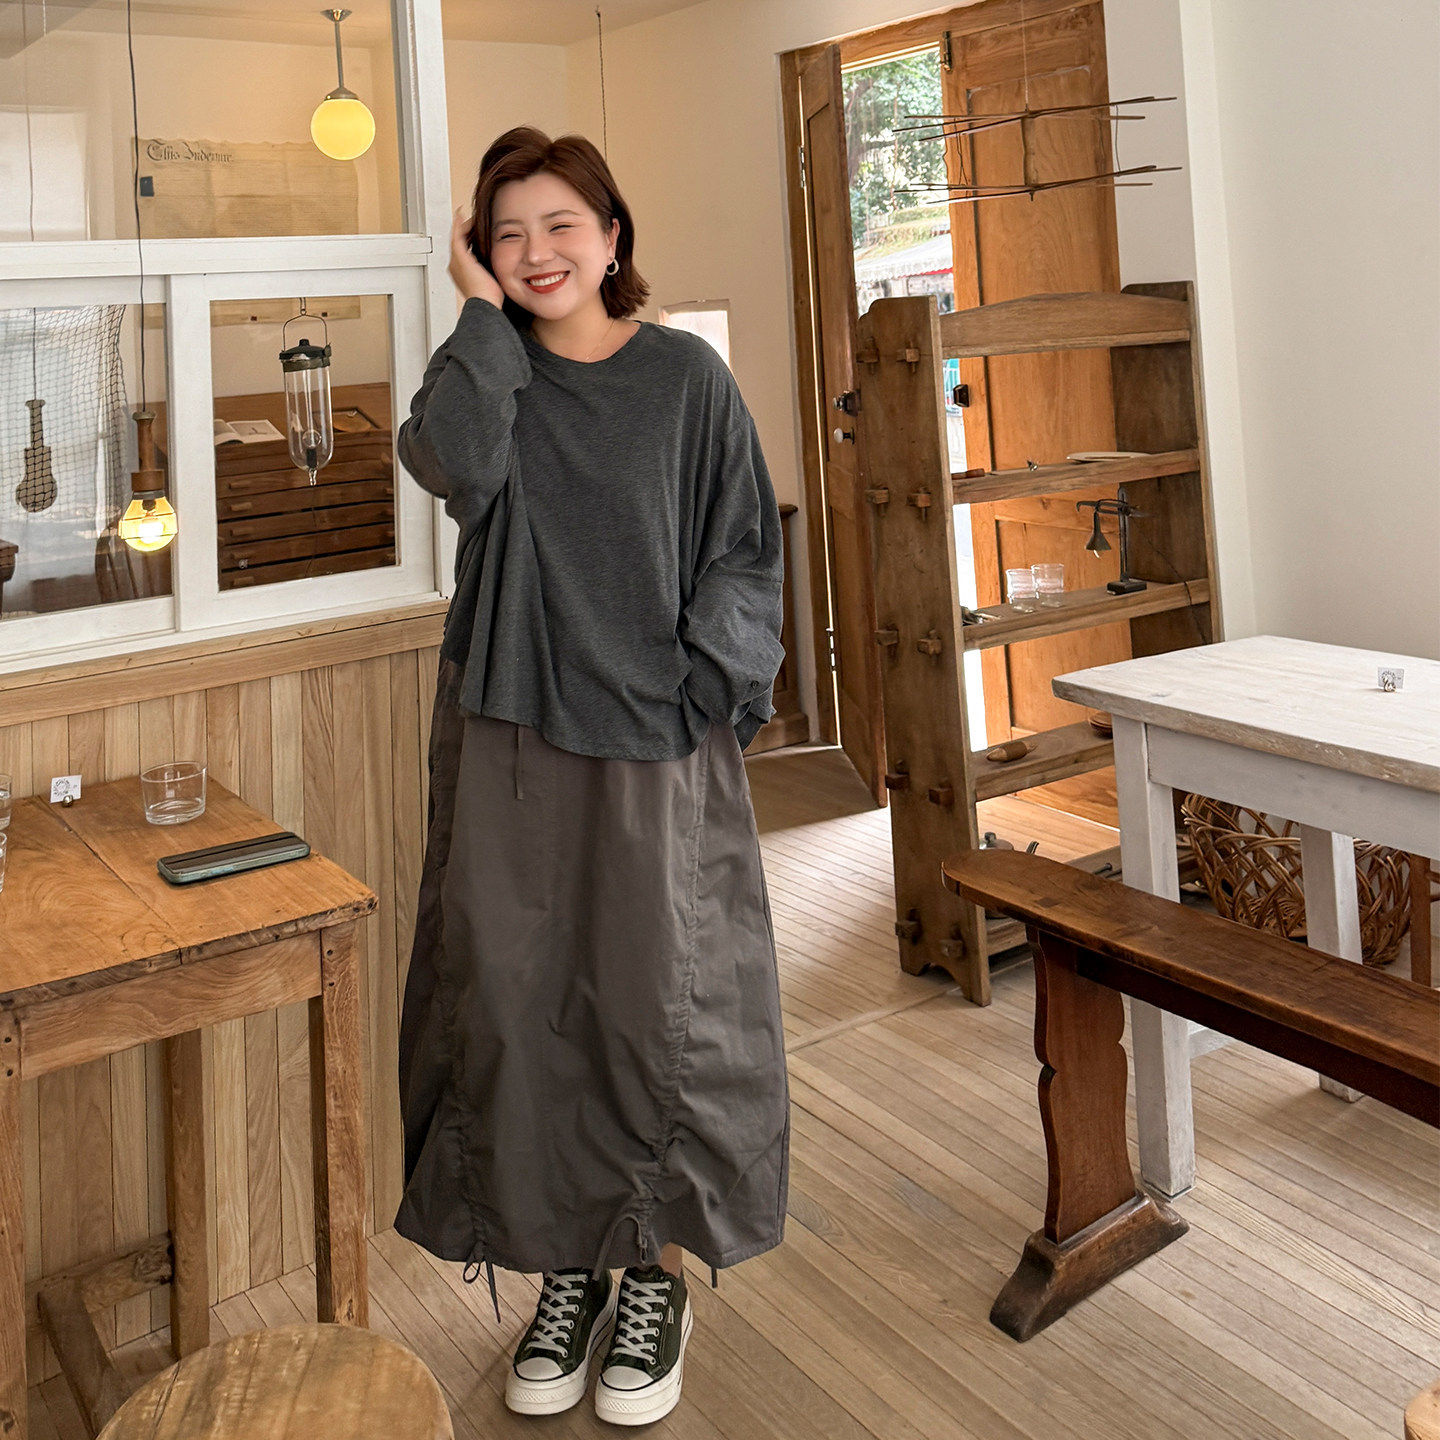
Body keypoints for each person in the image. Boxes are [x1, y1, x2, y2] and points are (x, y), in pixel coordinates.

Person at [392, 126, 790, 1428]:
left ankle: (652, 1275)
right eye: (507, 234)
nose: (536, 251)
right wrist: (476, 312)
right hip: (510, 732)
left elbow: (745, 549)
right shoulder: (491, 373)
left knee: (653, 1008)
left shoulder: (685, 379)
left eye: (561, 224)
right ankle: (567, 1271)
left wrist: (700, 684)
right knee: (515, 1005)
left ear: (612, 237)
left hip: (655, 742)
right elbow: (448, 462)